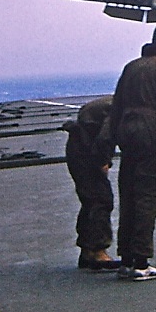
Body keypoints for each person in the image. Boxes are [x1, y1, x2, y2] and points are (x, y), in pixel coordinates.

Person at [106, 23, 156, 281]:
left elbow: (116, 106)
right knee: (147, 198)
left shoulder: (131, 67)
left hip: (127, 135)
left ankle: (126, 259)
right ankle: (141, 262)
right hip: (152, 137)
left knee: (128, 196)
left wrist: (108, 143)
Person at [63, 95, 120, 270]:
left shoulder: (112, 102)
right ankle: (98, 251)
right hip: (86, 149)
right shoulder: (120, 108)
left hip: (79, 146)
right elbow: (105, 136)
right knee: (101, 200)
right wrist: (103, 160)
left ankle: (87, 250)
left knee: (89, 200)